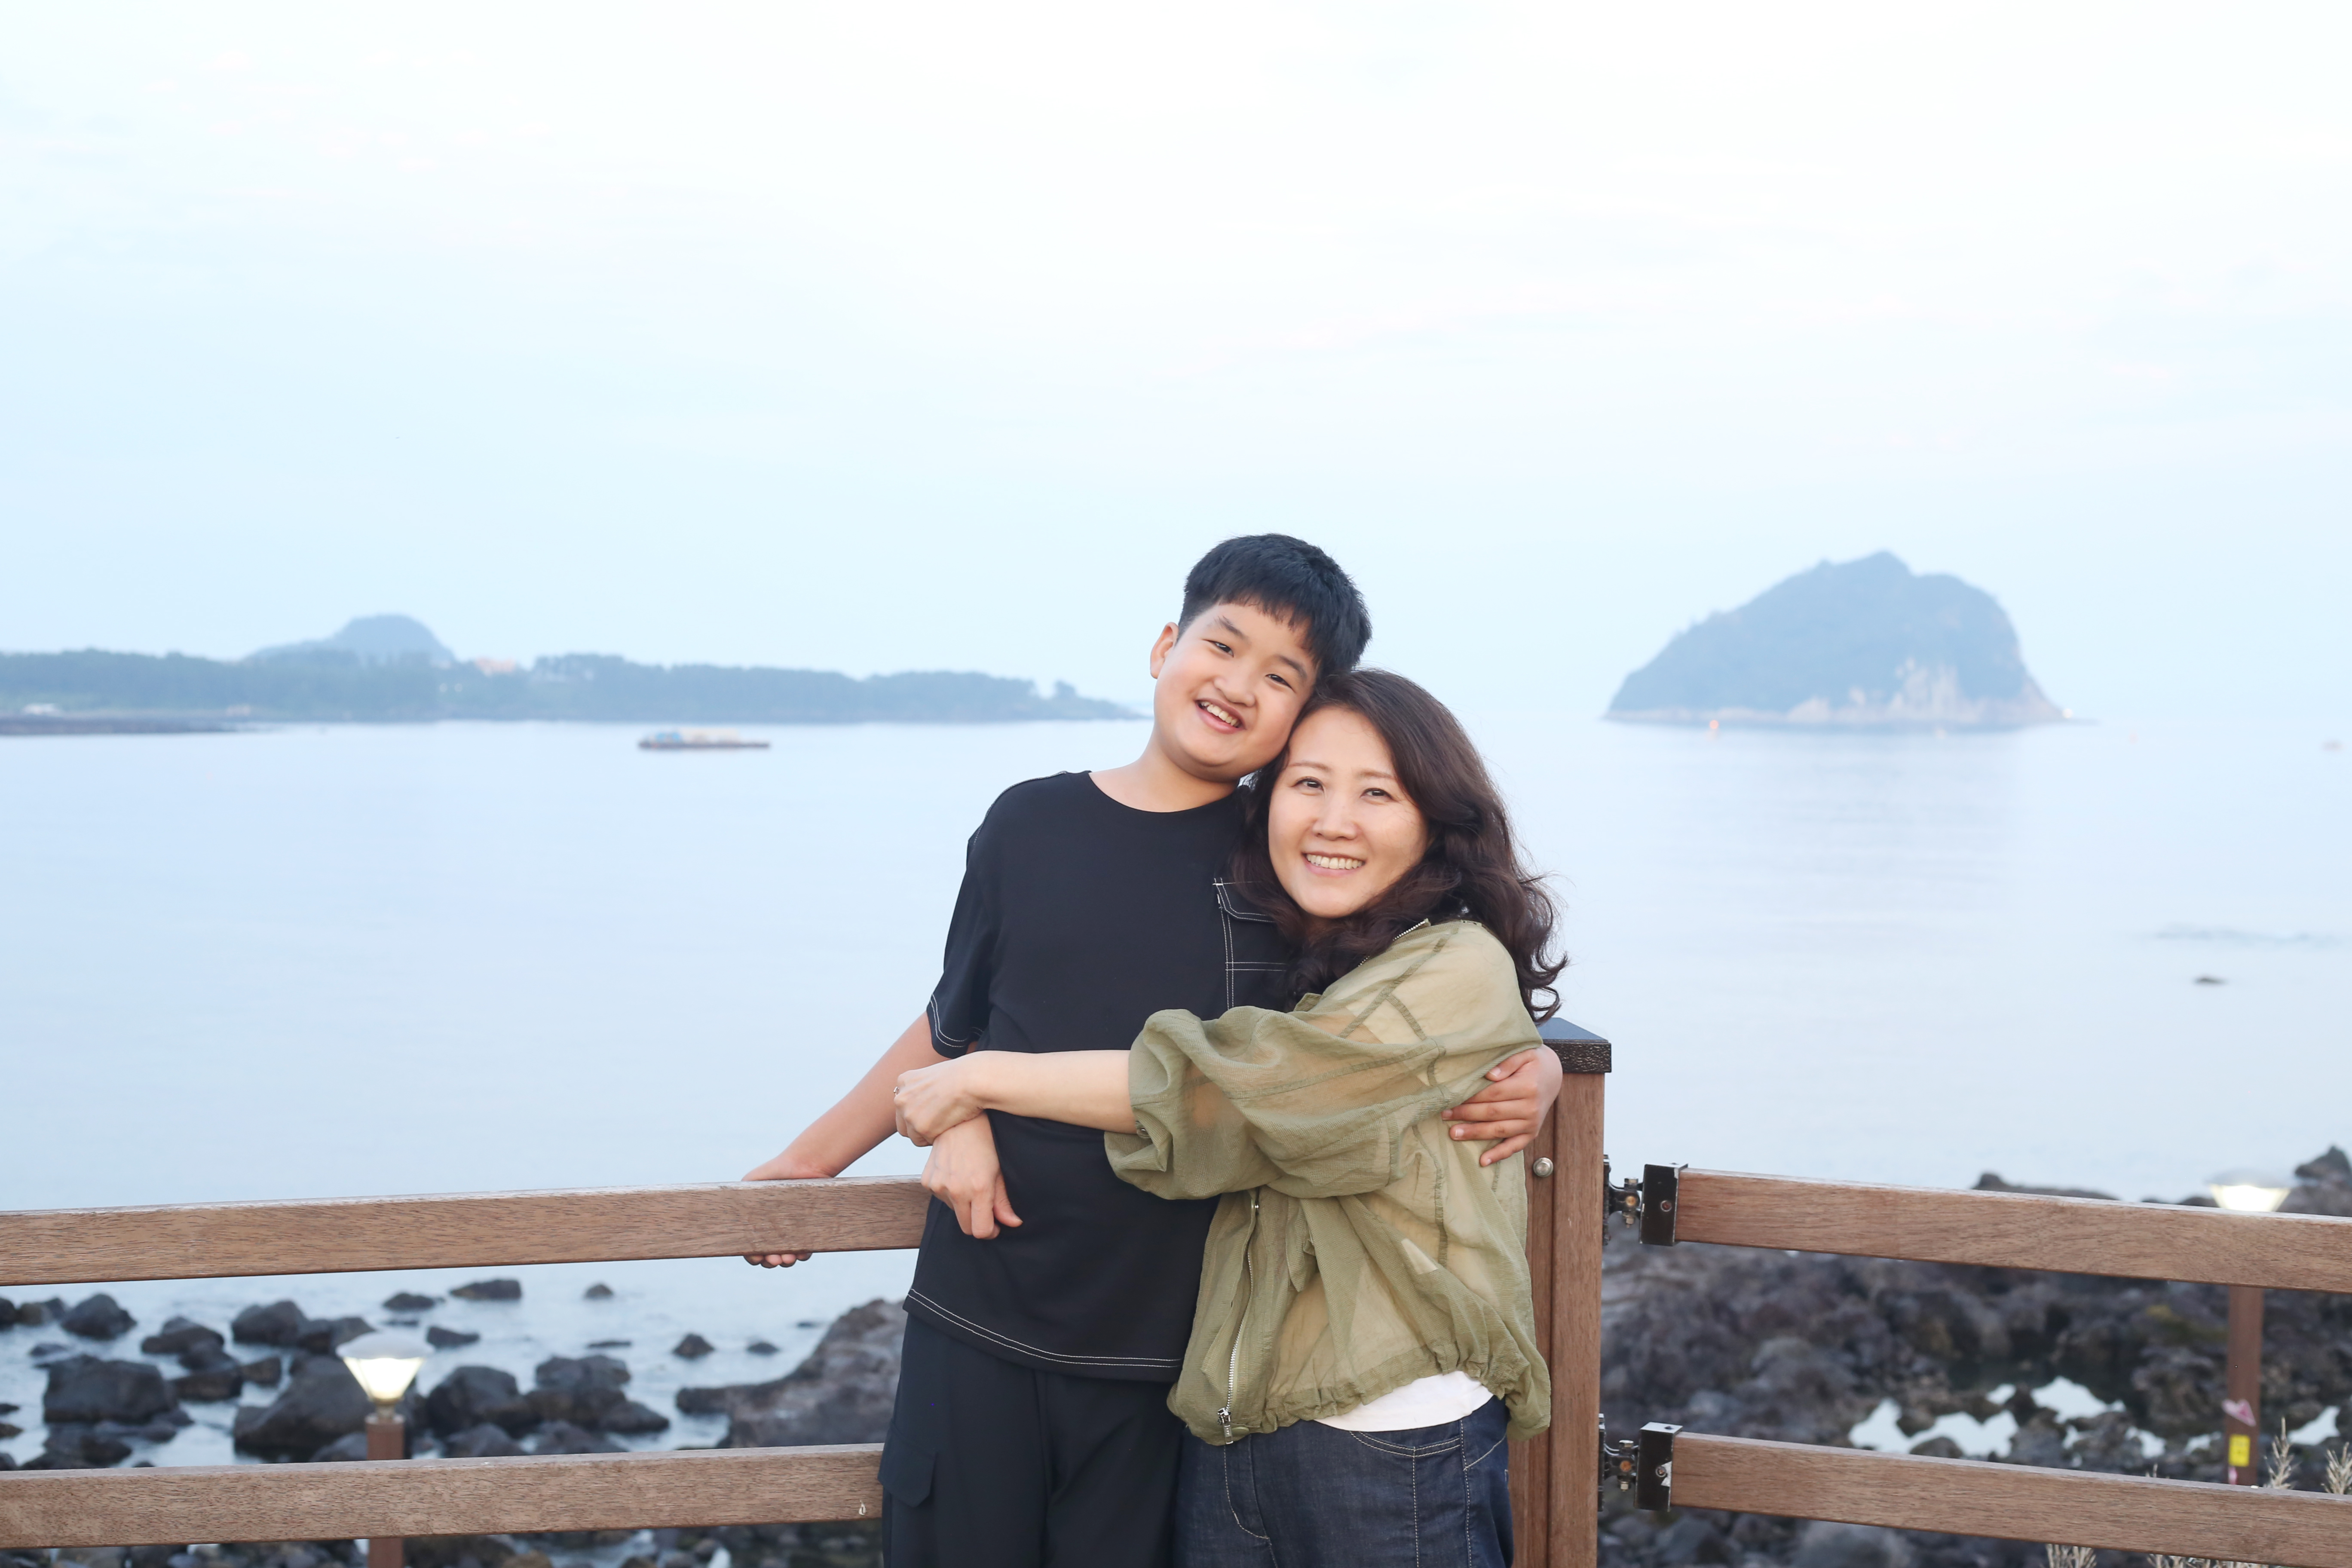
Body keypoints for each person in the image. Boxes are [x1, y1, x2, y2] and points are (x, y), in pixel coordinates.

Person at [737, 539, 1563, 1568]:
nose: (1238, 686)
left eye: (1282, 677)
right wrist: (833, 1153)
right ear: (1167, 644)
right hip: (979, 1309)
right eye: (1223, 645)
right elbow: (956, 1021)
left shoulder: (1289, 863)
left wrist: (1541, 1065)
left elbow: (1371, 1034)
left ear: (1303, 713)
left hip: (1168, 1356)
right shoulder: (1030, 823)